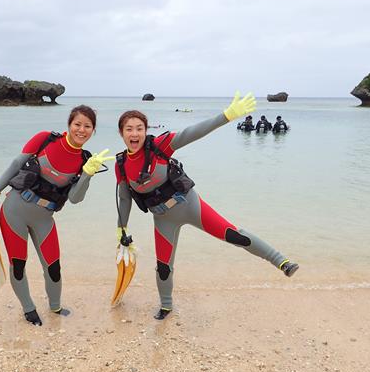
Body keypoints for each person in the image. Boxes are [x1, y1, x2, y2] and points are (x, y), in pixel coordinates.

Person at [114, 93, 299, 320]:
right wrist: (121, 228)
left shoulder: (160, 146)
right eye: (129, 129)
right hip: (163, 219)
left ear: (145, 129)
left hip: (191, 206)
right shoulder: (121, 164)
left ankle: (282, 262)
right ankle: (166, 305)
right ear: (121, 133)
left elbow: (193, 132)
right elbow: (124, 199)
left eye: (139, 128)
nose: (135, 133)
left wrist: (227, 116)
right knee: (163, 266)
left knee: (234, 236)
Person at [0, 105, 114, 326]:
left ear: (93, 130)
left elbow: (75, 198)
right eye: (77, 124)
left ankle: (55, 306)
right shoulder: (44, 140)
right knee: (18, 264)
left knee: (53, 265)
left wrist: (88, 174)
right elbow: (16, 164)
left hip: (44, 218)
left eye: (87, 126)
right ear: (69, 125)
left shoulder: (85, 161)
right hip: (14, 210)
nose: (81, 130)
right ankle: (28, 308)